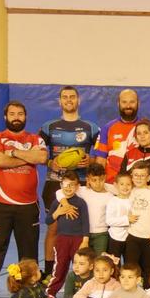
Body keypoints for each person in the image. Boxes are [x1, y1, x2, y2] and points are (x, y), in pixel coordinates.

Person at [0, 101, 48, 295]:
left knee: (29, 249)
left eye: (20, 114)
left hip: (28, 205)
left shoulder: (35, 138)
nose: (16, 117)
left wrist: (14, 152)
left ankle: (29, 282)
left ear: (25, 117)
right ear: (5, 117)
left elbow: (41, 159)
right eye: (12, 113)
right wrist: (28, 157)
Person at [40, 86, 100, 278]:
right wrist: (51, 162)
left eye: (72, 97)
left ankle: (82, 273)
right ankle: (50, 272)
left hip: (82, 184)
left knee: (82, 228)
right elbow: (39, 155)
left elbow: (100, 156)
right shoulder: (47, 127)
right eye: (64, 97)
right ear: (59, 102)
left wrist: (89, 161)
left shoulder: (92, 128)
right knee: (54, 228)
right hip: (55, 183)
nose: (68, 100)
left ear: (78, 100)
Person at [95, 89, 150, 184]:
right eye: (124, 102)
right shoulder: (107, 128)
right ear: (118, 103)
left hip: (139, 185)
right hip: (112, 184)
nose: (128, 106)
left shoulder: (148, 127)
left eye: (132, 102)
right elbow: (100, 161)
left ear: (138, 103)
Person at [45, 171, 89, 298]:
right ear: (61, 185)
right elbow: (48, 221)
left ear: (77, 187)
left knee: (80, 267)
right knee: (60, 266)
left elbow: (86, 222)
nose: (69, 188)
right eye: (66, 184)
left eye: (72, 185)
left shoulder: (81, 203)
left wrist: (85, 239)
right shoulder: (56, 203)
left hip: (78, 239)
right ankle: (51, 292)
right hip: (62, 239)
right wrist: (57, 213)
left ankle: (82, 292)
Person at [124, 161, 150, 278]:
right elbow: (112, 186)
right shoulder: (129, 190)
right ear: (131, 176)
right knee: (131, 268)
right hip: (133, 236)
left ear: (148, 178)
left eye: (142, 176)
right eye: (136, 175)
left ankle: (149, 293)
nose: (138, 178)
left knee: (149, 269)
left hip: (149, 238)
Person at [120, 118, 150, 198]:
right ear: (135, 137)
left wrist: (147, 193)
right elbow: (122, 178)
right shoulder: (129, 154)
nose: (142, 136)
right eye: (139, 133)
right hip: (130, 197)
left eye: (145, 133)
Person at [105, 172, 133, 261]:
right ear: (116, 185)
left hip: (130, 237)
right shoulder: (113, 201)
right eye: (122, 184)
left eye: (128, 184)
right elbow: (109, 221)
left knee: (129, 262)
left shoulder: (133, 199)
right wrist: (127, 219)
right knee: (114, 263)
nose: (125, 187)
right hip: (115, 238)